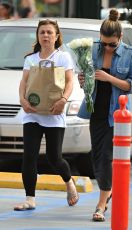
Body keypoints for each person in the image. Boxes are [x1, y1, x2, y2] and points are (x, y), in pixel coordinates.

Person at [78, 8, 132, 222]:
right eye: (104, 42)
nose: (107, 47)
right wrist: (83, 80)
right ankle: (108, 190)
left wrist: (108, 78)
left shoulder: (131, 54)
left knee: (106, 157)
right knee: (97, 156)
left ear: (120, 38)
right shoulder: (92, 50)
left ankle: (101, 204)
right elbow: (87, 77)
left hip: (117, 114)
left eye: (112, 44)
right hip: (96, 110)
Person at [14, 19, 79, 211]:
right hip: (32, 115)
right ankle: (30, 199)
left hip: (54, 115)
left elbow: (69, 82)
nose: (46, 36)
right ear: (38, 36)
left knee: (54, 158)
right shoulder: (30, 59)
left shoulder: (63, 58)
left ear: (57, 36)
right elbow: (24, 82)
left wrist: (63, 101)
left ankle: (69, 182)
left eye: (49, 32)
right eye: (42, 32)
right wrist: (22, 100)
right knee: (29, 156)